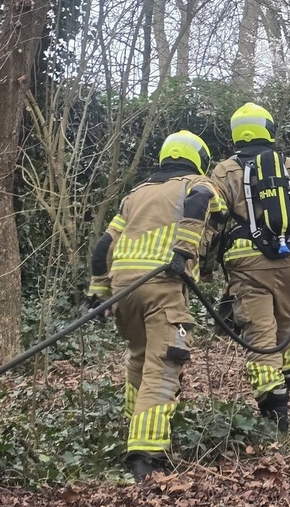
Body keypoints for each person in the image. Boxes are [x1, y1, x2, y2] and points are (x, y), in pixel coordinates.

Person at [88, 130, 226, 483]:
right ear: (199, 158)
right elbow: (205, 210)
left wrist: (99, 292)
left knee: (138, 357)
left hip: (124, 290)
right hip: (163, 286)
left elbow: (104, 245)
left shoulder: (136, 195)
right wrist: (185, 254)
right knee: (164, 365)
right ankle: (146, 456)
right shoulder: (198, 184)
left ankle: (136, 434)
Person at [208, 102, 290, 433]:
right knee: (285, 333)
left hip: (246, 265)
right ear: (268, 129)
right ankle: (282, 402)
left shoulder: (223, 172)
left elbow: (211, 219)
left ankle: (275, 419)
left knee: (261, 338)